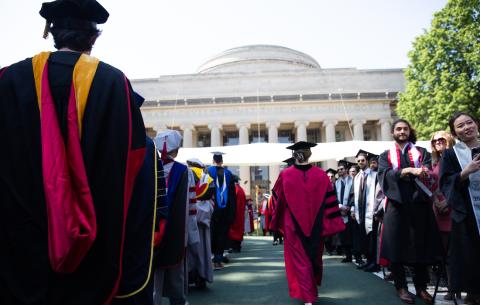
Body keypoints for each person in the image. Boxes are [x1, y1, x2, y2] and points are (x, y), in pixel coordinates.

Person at [0, 1, 146, 304]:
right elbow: (132, 163)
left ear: (51, 32)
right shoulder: (114, 84)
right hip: (93, 242)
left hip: (19, 240)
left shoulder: (8, 80)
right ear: (93, 37)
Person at [270, 141, 345, 305]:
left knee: (301, 261)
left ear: (294, 155)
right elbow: (330, 203)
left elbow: (277, 199)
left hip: (294, 225)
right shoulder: (321, 175)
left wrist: (276, 222)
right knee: (312, 259)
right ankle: (309, 295)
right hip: (316, 225)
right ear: (309, 154)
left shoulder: (285, 175)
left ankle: (309, 295)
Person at [378, 119, 442, 304]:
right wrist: (406, 171)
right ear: (393, 132)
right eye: (398, 128)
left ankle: (421, 287)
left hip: (419, 205)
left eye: (405, 128)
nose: (402, 131)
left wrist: (421, 172)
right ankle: (401, 286)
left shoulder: (422, 152)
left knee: (420, 246)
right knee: (397, 248)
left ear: (409, 131)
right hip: (397, 206)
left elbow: (429, 172)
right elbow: (384, 176)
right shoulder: (385, 156)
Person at [113, 94, 168, 305]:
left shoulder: (146, 147)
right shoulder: (146, 146)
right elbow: (160, 196)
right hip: (138, 227)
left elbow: (158, 191)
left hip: (127, 225)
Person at [440, 112, 480, 305]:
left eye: (469, 122)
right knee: (470, 253)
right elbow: (445, 182)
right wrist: (466, 171)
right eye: (460, 126)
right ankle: (473, 292)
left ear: (476, 124)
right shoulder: (450, 154)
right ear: (455, 132)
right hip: (467, 211)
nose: (466, 128)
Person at [153, 130, 191, 305]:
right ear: (176, 150)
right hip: (176, 229)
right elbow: (187, 206)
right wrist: (190, 237)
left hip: (153, 228)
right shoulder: (183, 171)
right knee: (176, 273)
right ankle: (178, 301)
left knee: (155, 275)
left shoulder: (150, 167)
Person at [428, 131, 457, 300]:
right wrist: (437, 201)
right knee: (446, 253)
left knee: (459, 251)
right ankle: (453, 287)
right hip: (438, 211)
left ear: (449, 140)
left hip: (455, 209)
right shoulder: (434, 163)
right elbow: (432, 185)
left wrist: (448, 202)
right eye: (435, 141)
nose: (438, 142)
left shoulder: (456, 159)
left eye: (442, 139)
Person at [349, 150, 384, 273]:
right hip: (361, 213)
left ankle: (375, 263)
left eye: (362, 160)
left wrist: (377, 211)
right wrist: (353, 209)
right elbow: (352, 195)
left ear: (367, 161)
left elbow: (380, 194)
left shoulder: (375, 175)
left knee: (373, 239)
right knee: (364, 239)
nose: (360, 162)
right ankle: (369, 261)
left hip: (372, 212)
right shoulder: (357, 177)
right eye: (358, 161)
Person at [186, 158, 214, 289]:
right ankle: (201, 277)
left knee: (189, 249)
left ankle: (189, 277)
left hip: (189, 214)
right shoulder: (207, 178)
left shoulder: (187, 173)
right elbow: (211, 199)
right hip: (204, 216)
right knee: (203, 249)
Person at [207, 152, 236, 270]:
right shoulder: (228, 174)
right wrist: (232, 212)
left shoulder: (208, 171)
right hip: (225, 209)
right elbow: (233, 195)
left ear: (213, 160)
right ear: (222, 161)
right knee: (222, 234)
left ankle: (210, 260)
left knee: (211, 233)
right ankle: (218, 261)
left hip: (212, 208)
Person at [335, 160, 354, 262]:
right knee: (343, 234)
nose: (340, 171)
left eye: (341, 169)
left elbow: (354, 195)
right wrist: (341, 207)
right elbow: (334, 197)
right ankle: (347, 255)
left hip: (351, 211)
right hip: (340, 211)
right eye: (338, 170)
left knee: (351, 234)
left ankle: (355, 255)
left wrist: (349, 208)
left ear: (346, 170)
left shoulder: (353, 181)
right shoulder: (336, 183)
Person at [228, 176, 247, 252]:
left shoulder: (235, 189)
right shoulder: (241, 189)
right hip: (240, 213)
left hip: (235, 213)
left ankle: (235, 247)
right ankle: (237, 247)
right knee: (239, 230)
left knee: (234, 230)